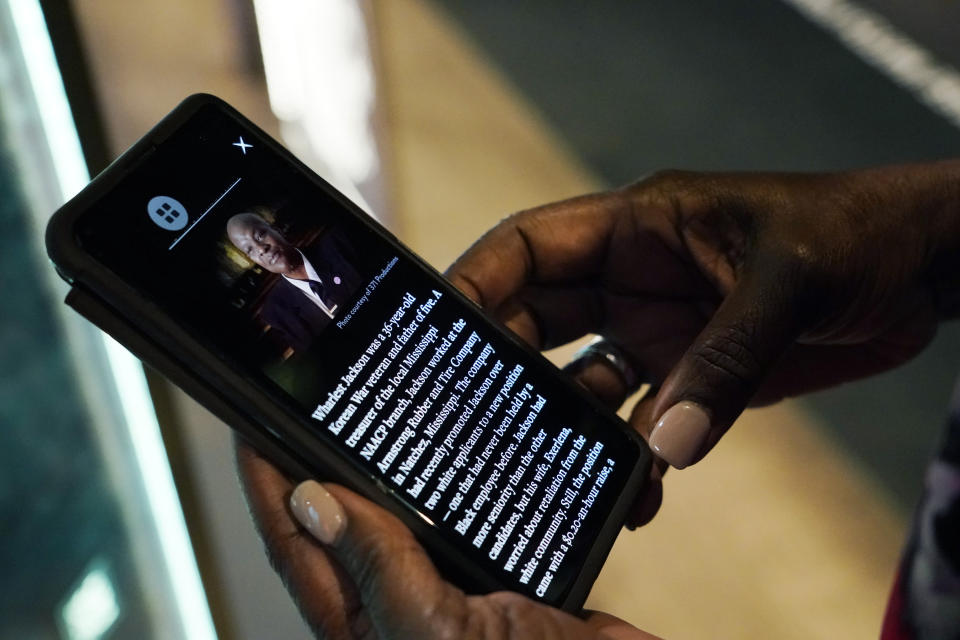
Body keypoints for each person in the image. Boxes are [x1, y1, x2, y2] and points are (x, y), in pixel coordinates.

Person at [236, 163, 960, 638]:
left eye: (264, 235)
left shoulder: (336, 260)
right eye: (253, 251)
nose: (268, 251)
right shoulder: (282, 318)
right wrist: (937, 241)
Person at [227, 213, 363, 352]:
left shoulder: (339, 244)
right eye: (250, 250)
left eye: (260, 235)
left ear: (277, 230)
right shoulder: (276, 313)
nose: (261, 249)